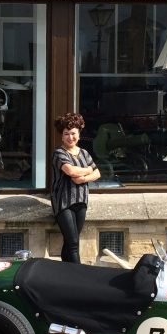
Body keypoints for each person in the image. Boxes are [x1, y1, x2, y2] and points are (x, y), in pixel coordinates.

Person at [51, 112, 100, 263]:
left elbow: (98, 173)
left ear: (79, 134)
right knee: (72, 243)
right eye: (66, 134)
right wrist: (88, 170)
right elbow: (70, 171)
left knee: (72, 241)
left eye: (73, 133)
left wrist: (84, 178)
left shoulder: (84, 153)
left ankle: (65, 272)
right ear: (62, 135)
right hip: (63, 203)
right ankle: (77, 274)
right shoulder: (59, 153)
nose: (70, 137)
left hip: (81, 201)